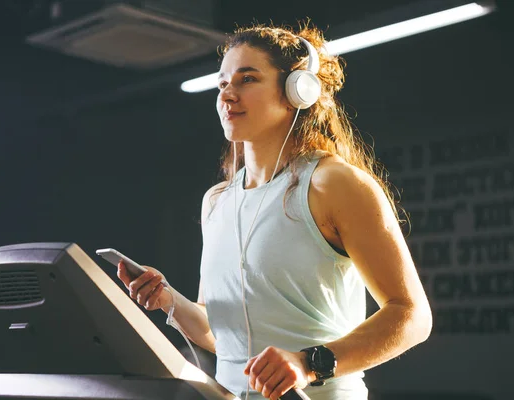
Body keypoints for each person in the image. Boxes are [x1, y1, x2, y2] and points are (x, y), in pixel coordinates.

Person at [118, 22, 432, 400]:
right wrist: (170, 301)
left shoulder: (333, 183)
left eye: (247, 79)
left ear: (297, 92)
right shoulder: (217, 201)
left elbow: (411, 316)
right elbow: (224, 337)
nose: (227, 95)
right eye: (222, 84)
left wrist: (308, 363)